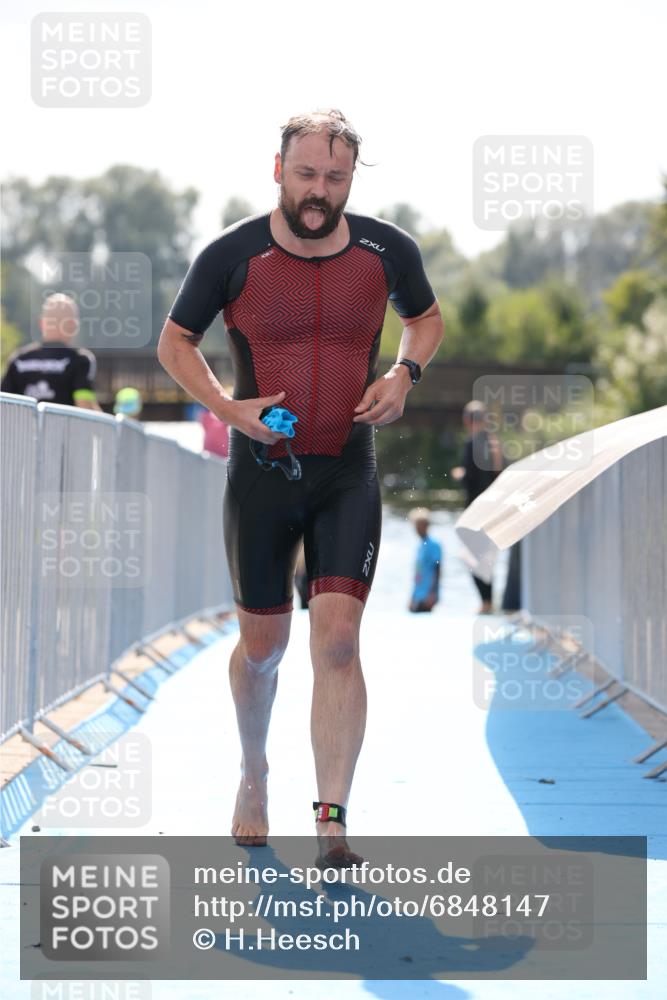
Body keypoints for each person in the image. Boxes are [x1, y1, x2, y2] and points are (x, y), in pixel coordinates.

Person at [157, 108, 444, 866]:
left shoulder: (388, 250)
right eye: (307, 173)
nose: (319, 191)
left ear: (352, 177)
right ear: (277, 168)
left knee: (340, 641)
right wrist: (225, 407)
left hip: (347, 467)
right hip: (262, 474)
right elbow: (173, 342)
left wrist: (403, 373)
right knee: (263, 647)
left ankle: (331, 821)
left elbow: (425, 320)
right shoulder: (232, 254)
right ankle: (254, 771)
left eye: (335, 177)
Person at [1, 293, 101, 410]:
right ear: (73, 325)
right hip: (64, 428)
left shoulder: (18, 359)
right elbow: (85, 406)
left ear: (42, 323)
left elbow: (3, 405)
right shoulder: (80, 360)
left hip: (22, 428)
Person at [451, 400, 503, 613]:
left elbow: (472, 478)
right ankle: (488, 602)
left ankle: (486, 603)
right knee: (485, 558)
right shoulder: (493, 443)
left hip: (477, 511)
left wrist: (460, 474)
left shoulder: (473, 444)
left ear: (466, 421)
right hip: (493, 510)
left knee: (473, 557)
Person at [408, 508, 442, 613]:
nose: (416, 528)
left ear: (426, 525)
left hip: (427, 594)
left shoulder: (434, 545)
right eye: (415, 525)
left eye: (418, 525)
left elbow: (437, 570)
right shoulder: (420, 546)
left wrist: (432, 594)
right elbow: (418, 572)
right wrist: (412, 597)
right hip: (418, 594)